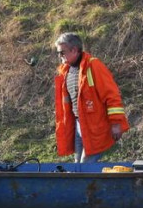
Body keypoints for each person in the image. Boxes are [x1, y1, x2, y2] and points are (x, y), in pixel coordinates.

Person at [54, 33, 129, 163]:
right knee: (78, 165)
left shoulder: (93, 66)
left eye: (62, 52)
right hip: (79, 126)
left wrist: (116, 123)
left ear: (74, 50)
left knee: (85, 166)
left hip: (95, 127)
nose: (60, 56)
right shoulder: (66, 71)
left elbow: (111, 95)